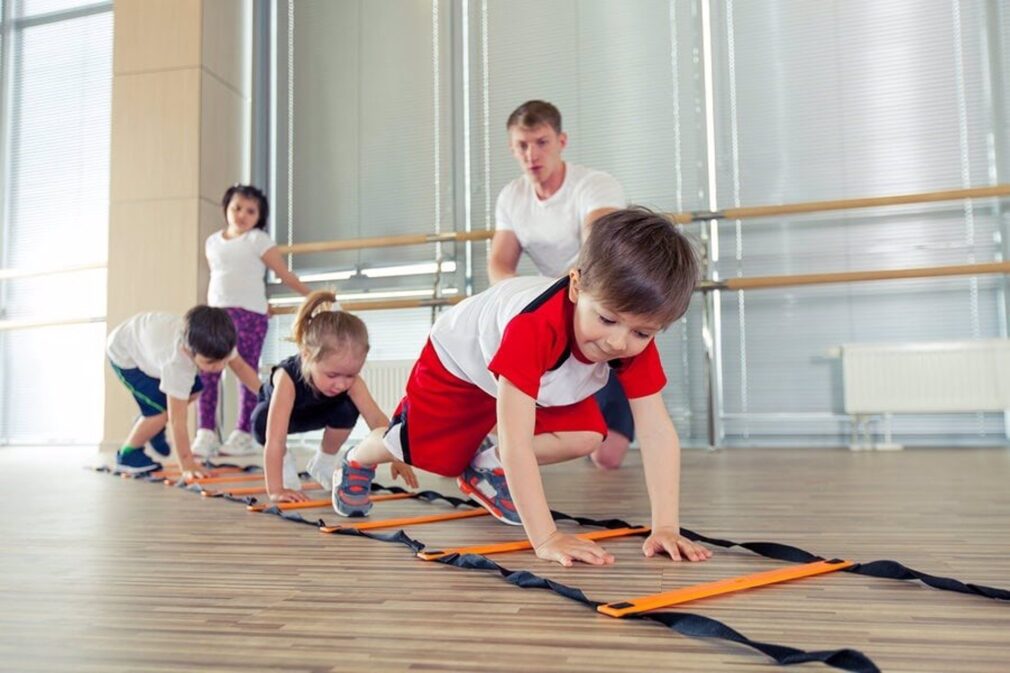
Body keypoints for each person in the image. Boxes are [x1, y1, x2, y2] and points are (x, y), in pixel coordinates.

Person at [334, 208, 712, 568]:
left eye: (641, 333)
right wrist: (546, 538)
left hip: (536, 375)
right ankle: (357, 457)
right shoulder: (533, 328)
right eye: (608, 319)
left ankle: (484, 466)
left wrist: (666, 526)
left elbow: (657, 430)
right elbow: (516, 442)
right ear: (576, 285)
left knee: (587, 434)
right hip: (461, 362)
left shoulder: (630, 338)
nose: (619, 342)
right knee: (434, 457)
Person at [488, 100, 631, 470]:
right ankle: (497, 451)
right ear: (511, 148)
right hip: (552, 306)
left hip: (601, 305)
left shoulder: (594, 184)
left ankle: (589, 421)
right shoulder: (511, 197)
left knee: (607, 456)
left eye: (541, 142)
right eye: (522, 145)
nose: (531, 153)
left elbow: (598, 251)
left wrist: (556, 297)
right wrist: (524, 299)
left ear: (561, 140)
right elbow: (500, 265)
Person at [251, 291, 418, 503]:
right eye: (332, 375)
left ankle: (324, 461)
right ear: (306, 357)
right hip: (276, 424)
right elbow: (275, 438)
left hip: (317, 415)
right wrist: (275, 489)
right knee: (261, 419)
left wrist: (397, 455)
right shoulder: (287, 378)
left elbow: (376, 420)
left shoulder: (351, 383)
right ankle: (285, 461)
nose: (341, 383)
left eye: (350, 375)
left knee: (349, 406)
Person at [194, 184, 313, 458]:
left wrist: (314, 296)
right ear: (226, 208)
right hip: (216, 316)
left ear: (259, 216)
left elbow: (284, 274)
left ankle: (244, 433)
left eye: (250, 211)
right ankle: (206, 432)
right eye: (237, 208)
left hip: (249, 316)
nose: (242, 215)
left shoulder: (258, 239)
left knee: (245, 372)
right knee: (208, 371)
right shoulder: (212, 241)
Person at [107, 306, 262, 477]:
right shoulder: (176, 362)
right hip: (125, 354)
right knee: (159, 413)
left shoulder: (217, 341)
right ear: (188, 351)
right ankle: (128, 455)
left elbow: (240, 367)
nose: (219, 367)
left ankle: (150, 426)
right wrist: (188, 464)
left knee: (193, 391)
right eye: (210, 362)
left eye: (224, 361)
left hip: (146, 343)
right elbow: (177, 420)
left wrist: (266, 394)